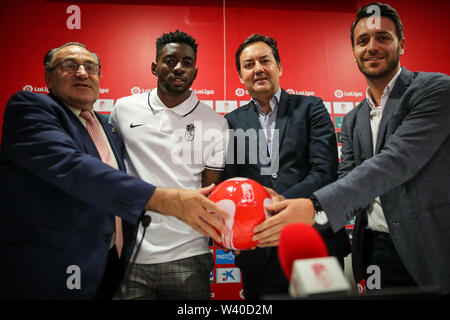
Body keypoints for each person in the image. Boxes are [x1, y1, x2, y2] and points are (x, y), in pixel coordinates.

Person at [0, 42, 228, 299]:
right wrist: (163, 199)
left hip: (109, 263)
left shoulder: (105, 126)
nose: (83, 73)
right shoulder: (30, 109)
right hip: (50, 268)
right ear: (48, 78)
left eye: (91, 67)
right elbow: (75, 169)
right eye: (69, 66)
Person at [255, 2, 450, 294]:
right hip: (373, 249)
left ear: (401, 44)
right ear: (355, 51)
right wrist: (293, 212)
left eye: (383, 37)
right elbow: (347, 180)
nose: (372, 47)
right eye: (363, 41)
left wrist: (312, 207)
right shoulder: (352, 118)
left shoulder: (435, 89)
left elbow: (394, 162)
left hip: (429, 248)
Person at [223, 33, 351, 300]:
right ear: (240, 76)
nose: (257, 68)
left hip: (314, 242)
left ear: (279, 67)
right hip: (259, 251)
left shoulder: (311, 108)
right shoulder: (231, 122)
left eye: (264, 60)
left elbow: (325, 171)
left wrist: (276, 204)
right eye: (249, 65)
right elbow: (231, 183)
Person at [110, 30, 228, 300]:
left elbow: (210, 192)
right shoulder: (123, 109)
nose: (179, 68)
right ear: (154, 67)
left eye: (187, 63)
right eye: (171, 60)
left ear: (195, 73)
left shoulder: (215, 123)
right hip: (132, 254)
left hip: (189, 254)